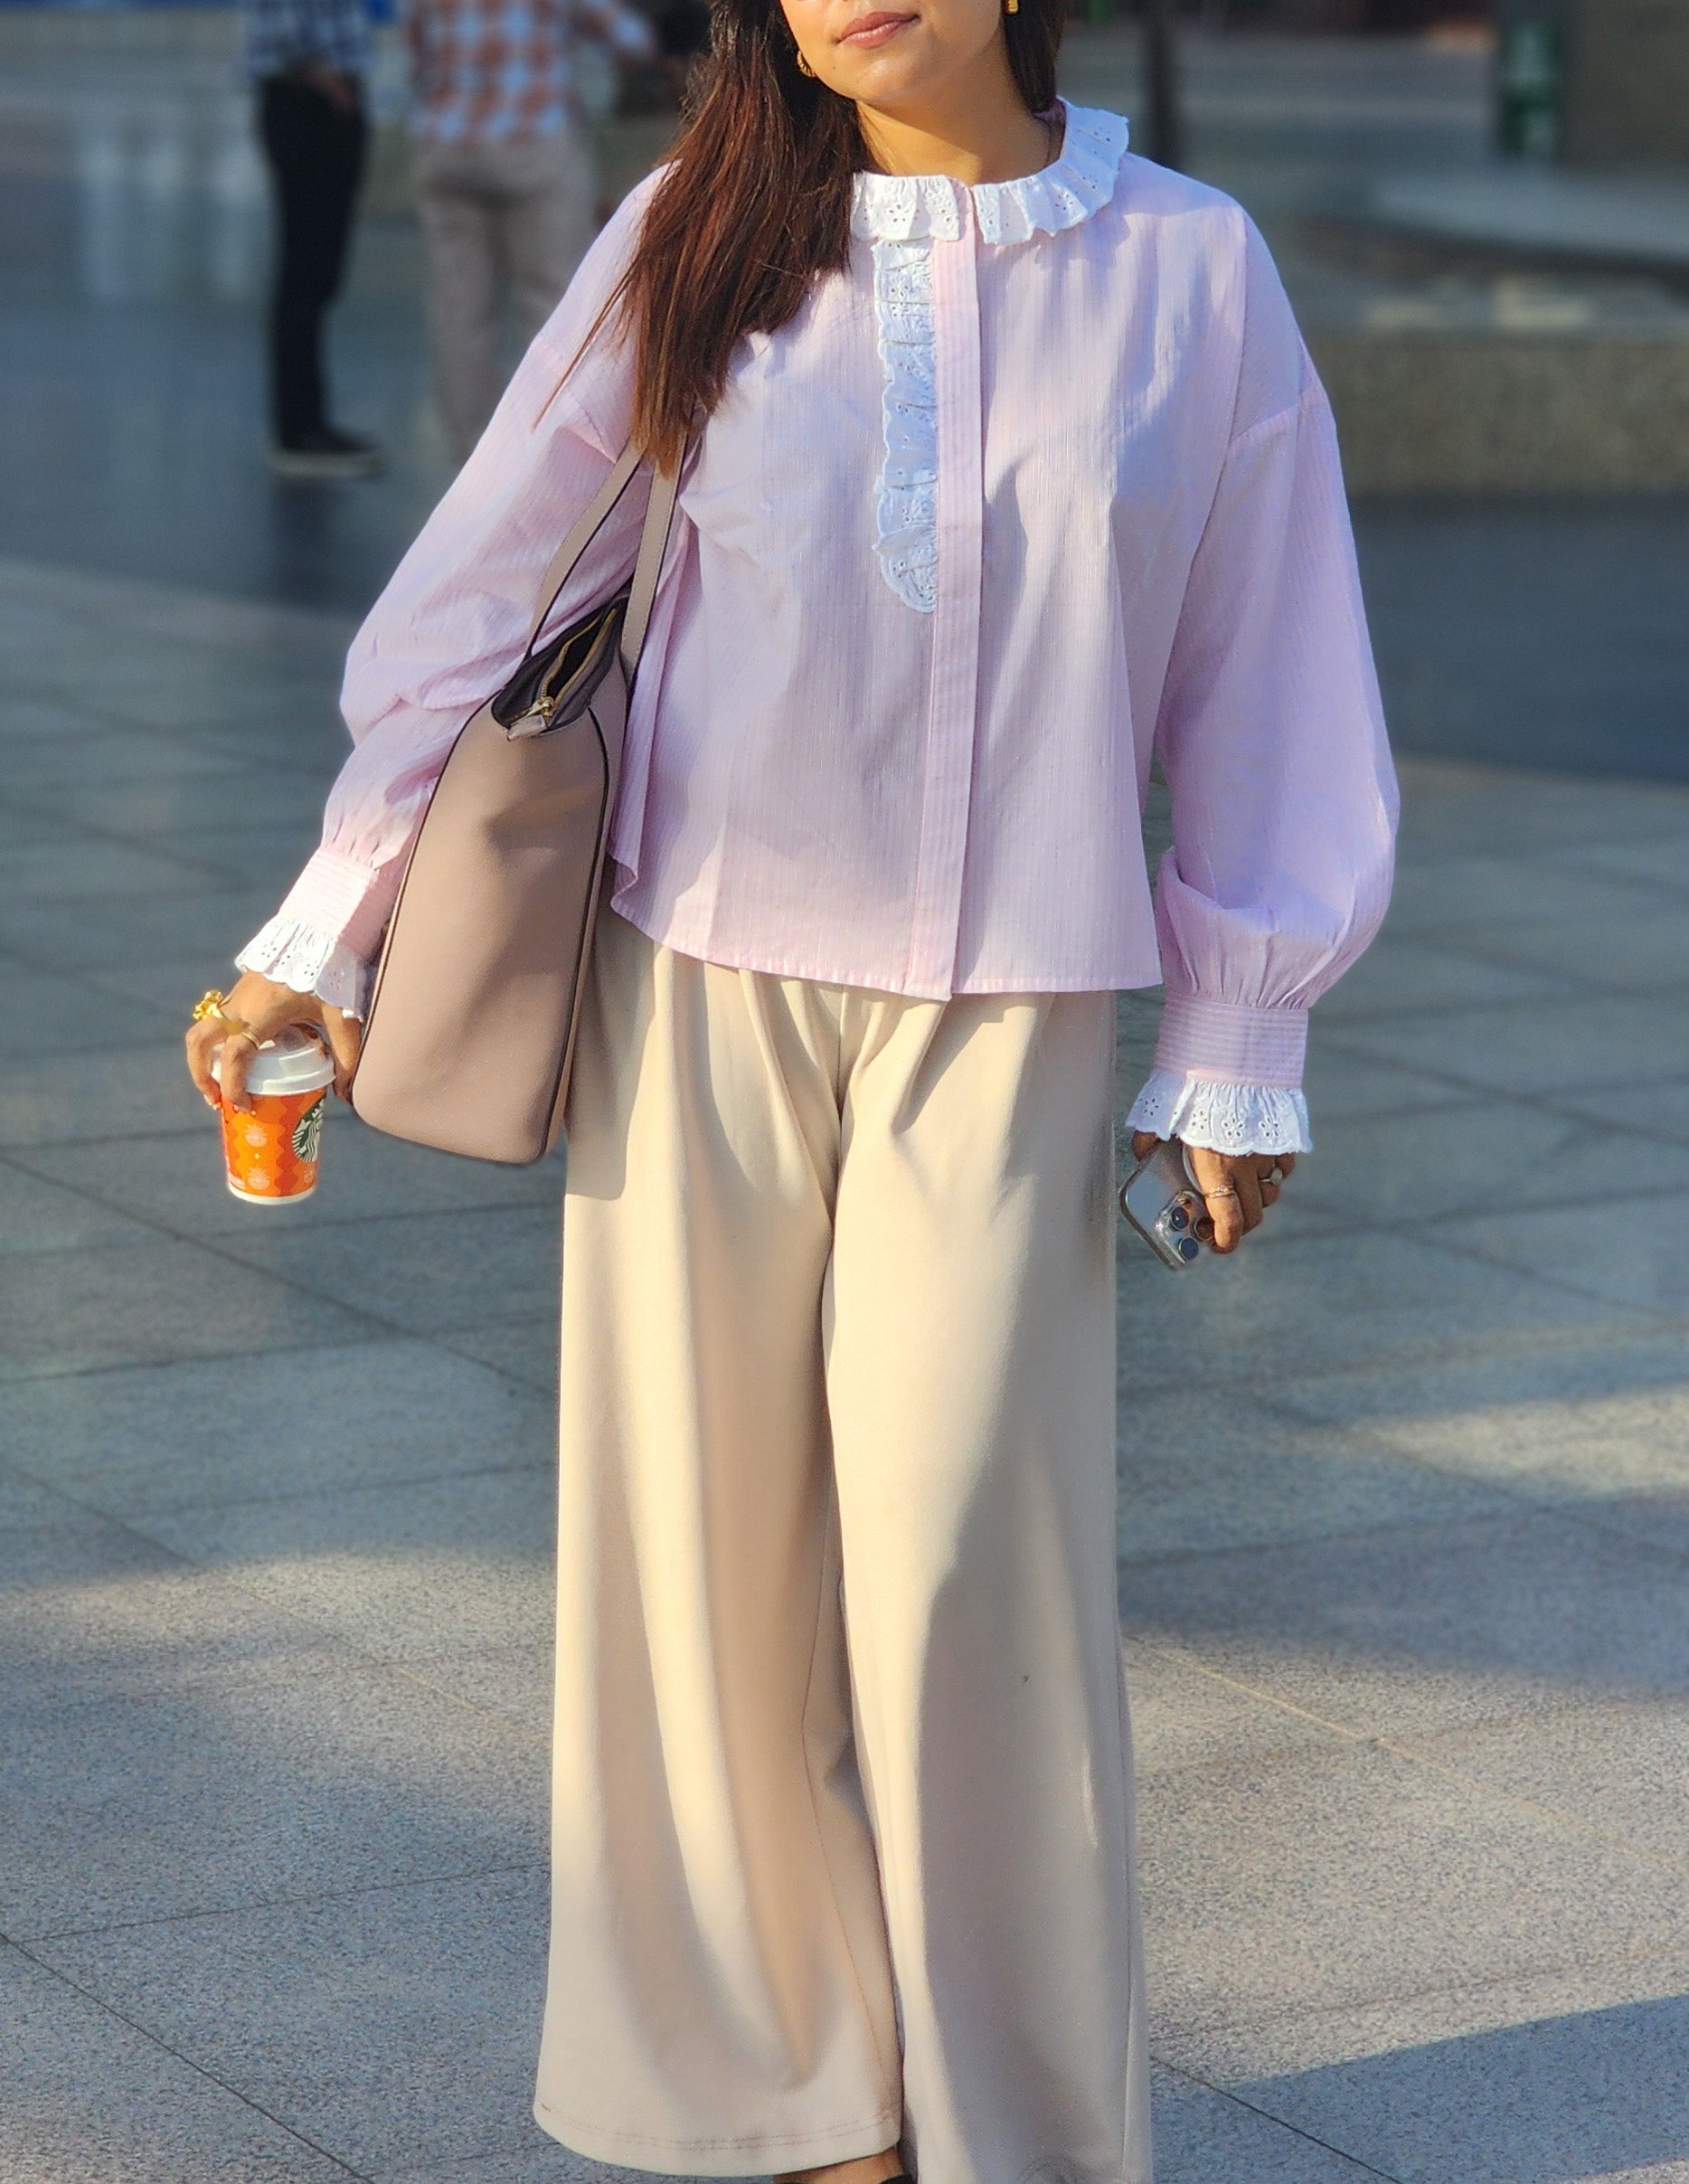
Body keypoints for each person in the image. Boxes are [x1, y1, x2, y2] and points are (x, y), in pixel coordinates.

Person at [185, 0, 1398, 2171]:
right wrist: (317, 931)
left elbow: (1263, 658)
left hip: (1008, 1010)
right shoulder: (695, 228)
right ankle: (787, 2111)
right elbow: (486, 592)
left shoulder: (1186, 268)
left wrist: (1237, 1040)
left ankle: (1014, 2126)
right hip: (694, 986)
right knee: (699, 1571)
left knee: (971, 1579)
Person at [406, 0, 656, 462]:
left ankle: (473, 451)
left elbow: (416, 45)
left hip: (447, 145)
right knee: (555, 300)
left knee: (459, 308)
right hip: (534, 143)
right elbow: (628, 40)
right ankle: (547, 450)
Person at [245, 0, 385, 477]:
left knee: (316, 273)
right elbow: (287, 28)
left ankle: (309, 423)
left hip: (321, 97)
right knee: (305, 272)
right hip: (308, 99)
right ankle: (298, 431)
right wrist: (331, 83)